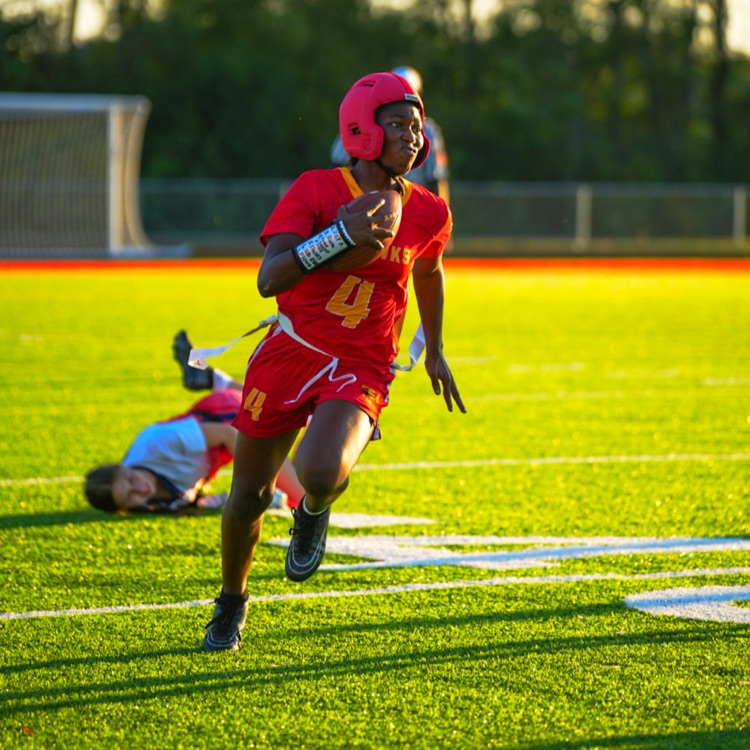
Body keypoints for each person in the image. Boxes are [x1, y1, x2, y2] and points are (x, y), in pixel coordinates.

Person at [202, 70, 466, 652]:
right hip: (291, 350)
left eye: (417, 127)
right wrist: (336, 238)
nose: (413, 138)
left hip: (363, 362)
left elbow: (430, 269)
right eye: (399, 125)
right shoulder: (317, 190)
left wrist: (436, 351)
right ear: (363, 129)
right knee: (248, 493)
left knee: (320, 471)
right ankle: (231, 602)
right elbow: (269, 279)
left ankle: (314, 509)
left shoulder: (428, 212)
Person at [83, 331, 304, 515]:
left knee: (305, 497)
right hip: (220, 445)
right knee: (303, 471)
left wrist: (260, 485)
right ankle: (213, 379)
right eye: (130, 497)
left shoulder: (158, 443)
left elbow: (230, 435)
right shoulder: (151, 504)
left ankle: (216, 381)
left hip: (223, 413)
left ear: (125, 467)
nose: (139, 488)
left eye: (131, 478)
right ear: (123, 509)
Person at [330, 66, 450, 204]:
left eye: (416, 129)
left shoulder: (429, 130)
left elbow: (436, 178)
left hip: (409, 202)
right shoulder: (361, 121)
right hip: (361, 199)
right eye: (396, 125)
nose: (410, 137)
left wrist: (440, 214)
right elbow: (337, 164)